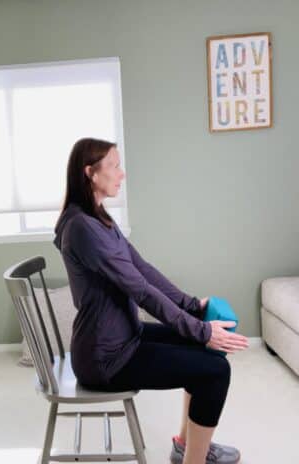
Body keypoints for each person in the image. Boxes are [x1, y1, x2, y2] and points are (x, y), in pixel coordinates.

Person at [53, 137, 249, 464]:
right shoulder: (82, 228)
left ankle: (186, 446)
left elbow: (142, 269)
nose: (121, 173)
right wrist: (202, 330)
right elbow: (140, 290)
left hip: (125, 335)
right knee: (215, 370)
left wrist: (191, 306)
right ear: (90, 173)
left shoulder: (98, 217)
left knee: (205, 349)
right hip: (106, 358)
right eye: (114, 166)